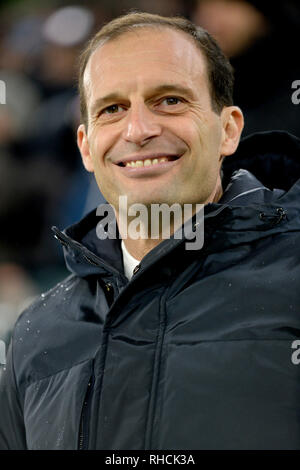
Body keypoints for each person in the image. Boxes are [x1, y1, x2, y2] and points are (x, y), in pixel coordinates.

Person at [1, 11, 300, 450]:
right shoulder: (37, 333)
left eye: (170, 100)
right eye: (112, 108)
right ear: (86, 146)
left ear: (229, 129)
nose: (139, 130)